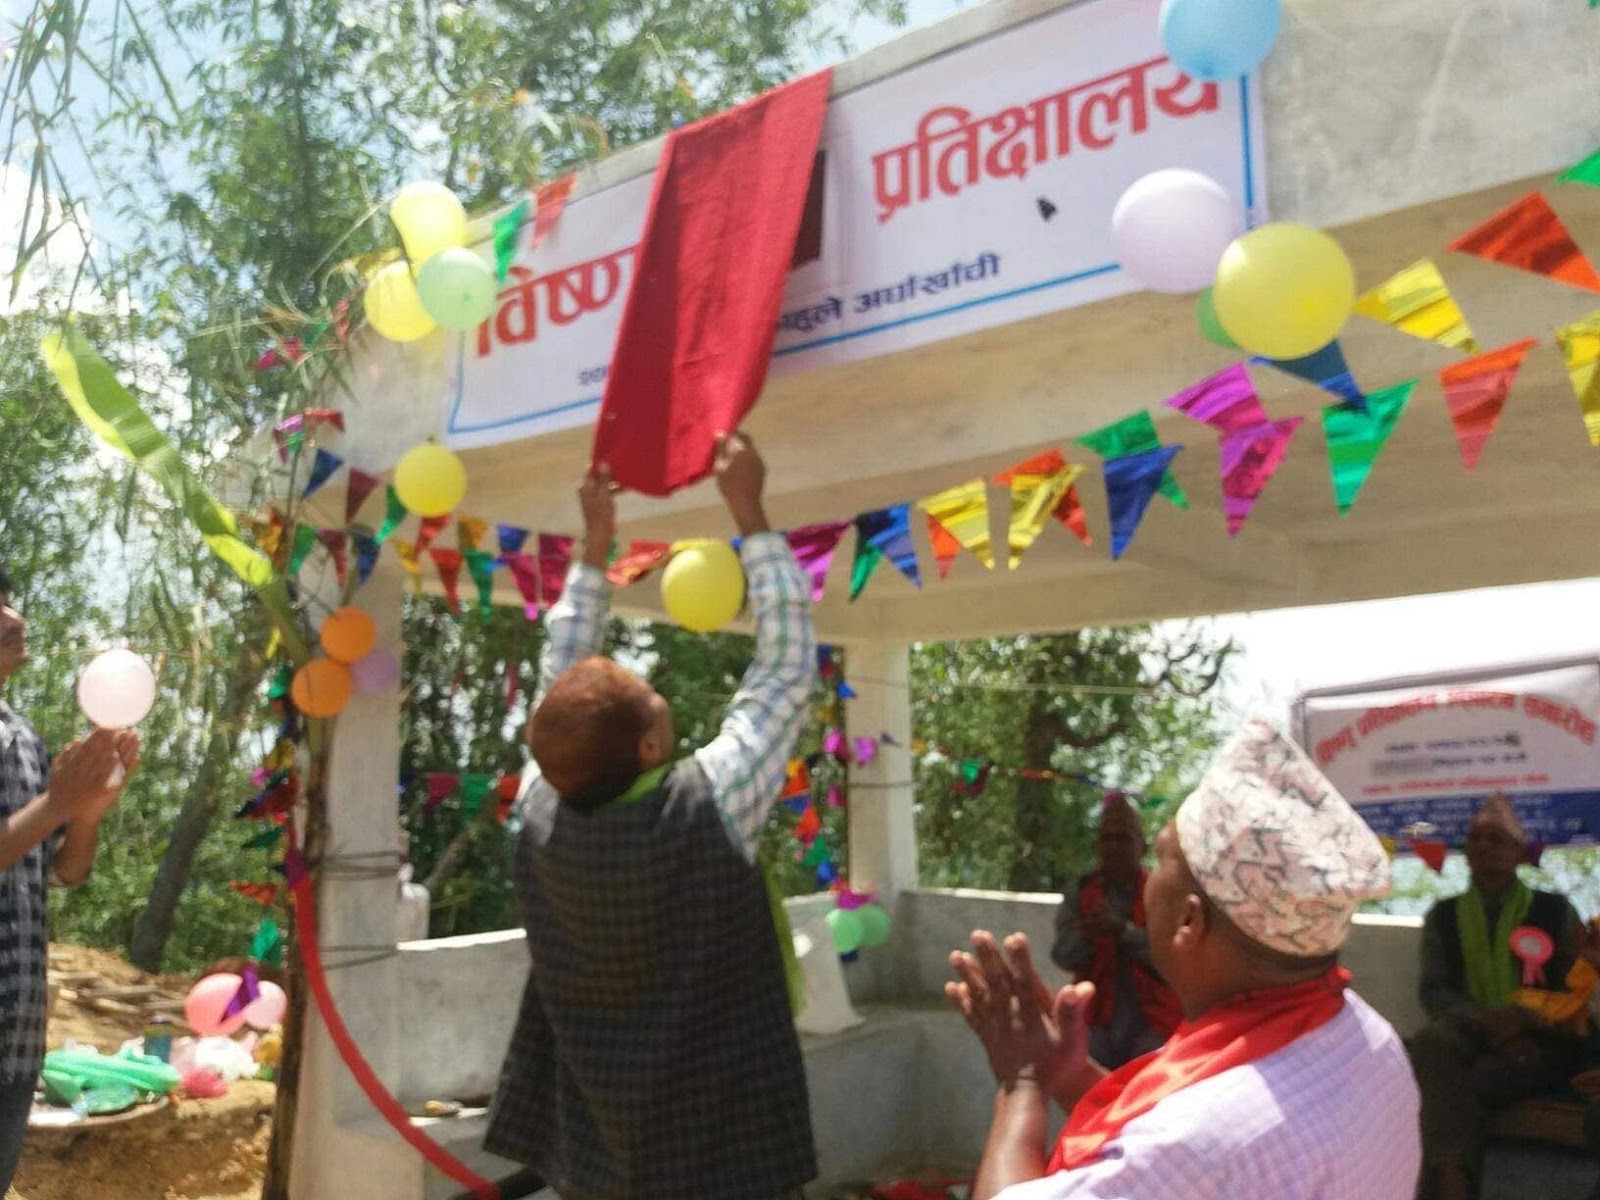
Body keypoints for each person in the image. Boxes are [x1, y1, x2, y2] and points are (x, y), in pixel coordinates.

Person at [485, 432, 818, 1200]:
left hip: (598, 1152)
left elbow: (559, 675)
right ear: (649, 747)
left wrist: (595, 546)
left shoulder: (539, 808)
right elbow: (786, 670)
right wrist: (750, 512)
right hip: (730, 1154)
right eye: (655, 703)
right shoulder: (714, 802)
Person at [945, 717, 1418, 1200]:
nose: (1148, 880)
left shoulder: (1190, 1146)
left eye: (1161, 857)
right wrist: (1069, 1076)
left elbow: (1178, 1147)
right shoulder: (1371, 1038)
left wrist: (1023, 1082)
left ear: (1189, 921)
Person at [0, 564, 140, 1192]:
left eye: (10, 602)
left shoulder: (23, 737)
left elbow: (66, 871)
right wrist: (58, 803)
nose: (15, 618)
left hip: (16, 1035)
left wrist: (88, 810)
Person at [1410, 794, 1584, 1200]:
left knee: (1459, 1088)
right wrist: (1482, 1020)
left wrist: (1521, 1019)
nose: (1483, 846)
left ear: (1520, 853)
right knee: (1431, 1043)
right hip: (1471, 1028)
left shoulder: (1555, 910)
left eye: (1495, 839)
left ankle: (1451, 1186)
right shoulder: (1443, 915)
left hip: (1540, 1038)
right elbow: (1435, 990)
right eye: (1475, 839)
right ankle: (1453, 1185)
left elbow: (1575, 992)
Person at [1050, 792, 1180, 1068]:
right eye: (1107, 839)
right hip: (1095, 1017)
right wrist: (1087, 936)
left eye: (1123, 838)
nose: (1114, 847)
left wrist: (1124, 932)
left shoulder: (1160, 891)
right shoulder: (1081, 891)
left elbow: (1174, 959)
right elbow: (1063, 956)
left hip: (1154, 1018)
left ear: (1142, 847)